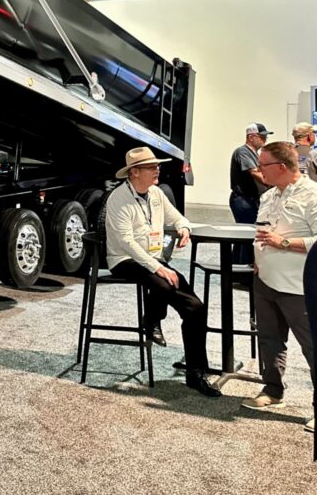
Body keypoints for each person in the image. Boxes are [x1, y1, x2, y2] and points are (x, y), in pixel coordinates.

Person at [105, 146, 220, 397]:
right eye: (151, 167)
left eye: (157, 166)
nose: (157, 170)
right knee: (164, 283)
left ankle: (196, 372)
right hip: (125, 259)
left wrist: (184, 228)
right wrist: (158, 267)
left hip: (153, 258)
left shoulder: (156, 193)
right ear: (134, 172)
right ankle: (151, 319)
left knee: (195, 307)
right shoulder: (118, 198)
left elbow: (177, 217)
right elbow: (126, 242)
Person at [242, 141, 316, 433]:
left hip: (300, 286)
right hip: (265, 280)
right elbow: (262, 231)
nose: (259, 170)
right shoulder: (268, 195)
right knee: (270, 339)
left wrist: (284, 243)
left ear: (282, 167)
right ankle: (273, 390)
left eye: (264, 165)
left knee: (312, 346)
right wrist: (258, 259)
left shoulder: (312, 195)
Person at [230, 123, 271, 262]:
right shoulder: (243, 152)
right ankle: (243, 268)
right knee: (247, 235)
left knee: (244, 234)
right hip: (243, 200)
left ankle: (236, 266)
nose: (265, 140)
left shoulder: (254, 154)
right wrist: (273, 182)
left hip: (250, 200)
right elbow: (255, 173)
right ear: (251, 137)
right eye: (262, 137)